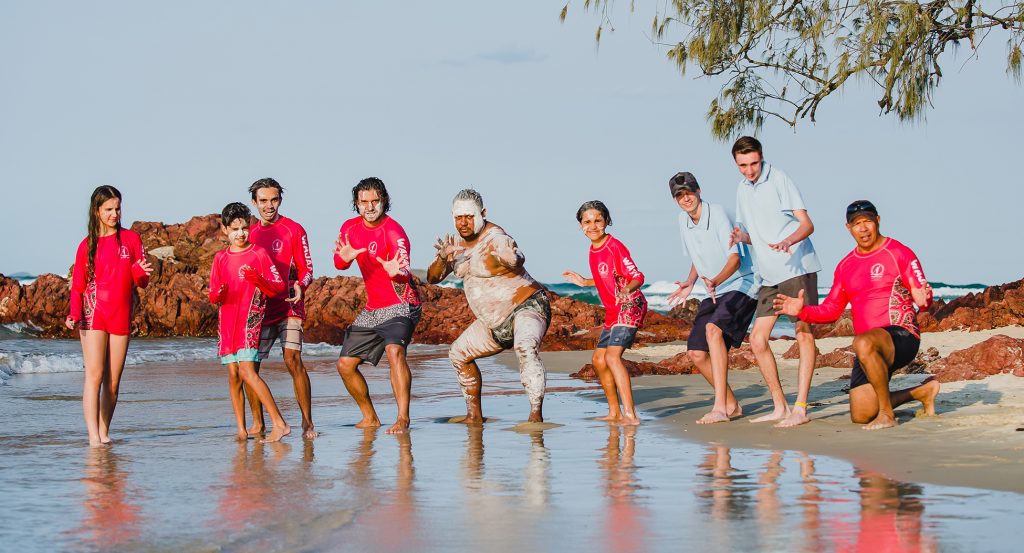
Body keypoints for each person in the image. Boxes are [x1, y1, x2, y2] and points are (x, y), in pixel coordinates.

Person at [774, 200, 940, 430]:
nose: (863, 228)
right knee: (861, 414)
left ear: (878, 221)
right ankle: (922, 391)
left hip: (902, 336)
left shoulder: (898, 253)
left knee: (862, 342)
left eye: (867, 222)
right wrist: (802, 311)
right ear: (848, 228)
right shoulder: (846, 266)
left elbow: (921, 291)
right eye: (857, 224)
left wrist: (925, 301)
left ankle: (887, 415)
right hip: (868, 349)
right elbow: (831, 310)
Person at [427, 189, 550, 424]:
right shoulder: (455, 245)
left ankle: (536, 416)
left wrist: (513, 256)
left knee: (525, 347)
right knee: (458, 354)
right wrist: (443, 257)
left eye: (469, 216)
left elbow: (514, 256)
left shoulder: (496, 238)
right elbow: (432, 278)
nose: (463, 223)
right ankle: (474, 416)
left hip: (527, 307)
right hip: (493, 323)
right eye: (458, 217)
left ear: (482, 213)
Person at [729, 136, 821, 426]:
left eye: (753, 163)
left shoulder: (779, 178)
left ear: (762, 157)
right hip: (768, 275)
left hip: (796, 268)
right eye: (743, 165)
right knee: (757, 340)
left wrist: (787, 241)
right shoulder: (742, 189)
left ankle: (801, 409)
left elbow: (807, 224)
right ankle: (780, 406)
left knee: (803, 333)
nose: (749, 170)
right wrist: (740, 238)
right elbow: (753, 234)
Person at [665, 172, 759, 424]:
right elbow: (698, 257)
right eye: (679, 195)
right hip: (715, 289)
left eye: (689, 192)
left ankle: (719, 408)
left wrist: (715, 279)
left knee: (713, 329)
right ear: (675, 199)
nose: (685, 198)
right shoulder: (682, 221)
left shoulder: (716, 213)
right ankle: (730, 403)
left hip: (742, 283)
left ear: (698, 191)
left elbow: (735, 258)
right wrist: (690, 282)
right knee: (696, 352)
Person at [66, 185, 153, 447]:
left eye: (117, 208)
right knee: (94, 375)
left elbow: (142, 282)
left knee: (113, 383)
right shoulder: (86, 245)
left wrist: (139, 271)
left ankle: (104, 432)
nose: (115, 214)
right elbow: (78, 285)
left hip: (120, 315)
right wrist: (73, 313)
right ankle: (93, 437)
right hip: (93, 313)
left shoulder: (131, 239)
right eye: (108, 209)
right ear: (97, 211)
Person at [334, 177, 421, 434]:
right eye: (364, 202)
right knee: (345, 365)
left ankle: (402, 418)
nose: (370, 207)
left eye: (375, 201)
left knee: (394, 351)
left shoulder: (394, 231)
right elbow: (340, 263)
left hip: (402, 302)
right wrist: (344, 258)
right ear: (356, 204)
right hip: (374, 307)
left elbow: (403, 271)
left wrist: (397, 272)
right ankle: (370, 417)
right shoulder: (350, 229)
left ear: (384, 201)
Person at [209, 202, 290, 443]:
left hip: (250, 320)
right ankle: (242, 430)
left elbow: (277, 287)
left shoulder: (258, 254)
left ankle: (279, 423)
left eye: (244, 228)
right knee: (234, 375)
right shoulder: (220, 258)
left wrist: (257, 278)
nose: (240, 233)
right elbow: (213, 294)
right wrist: (219, 293)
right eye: (234, 229)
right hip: (227, 324)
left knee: (246, 370)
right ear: (225, 230)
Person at [562, 200, 646, 425]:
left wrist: (627, 289)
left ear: (607, 221)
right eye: (587, 221)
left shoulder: (614, 246)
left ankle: (630, 414)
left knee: (612, 357)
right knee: (598, 360)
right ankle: (614, 412)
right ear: (580, 225)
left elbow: (637, 276)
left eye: (598, 220)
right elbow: (604, 279)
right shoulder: (592, 250)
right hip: (613, 310)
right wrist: (584, 282)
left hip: (630, 305)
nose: (593, 226)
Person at [247, 178, 317, 439]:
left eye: (274, 200)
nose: (269, 206)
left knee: (292, 360)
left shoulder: (294, 229)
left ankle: (307, 423)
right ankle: (258, 423)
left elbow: (307, 268)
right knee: (250, 366)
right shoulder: (250, 233)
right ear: (254, 203)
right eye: (263, 201)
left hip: (290, 304)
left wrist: (301, 285)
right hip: (261, 309)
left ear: (280, 200)